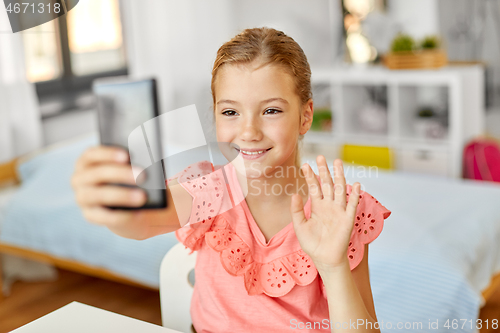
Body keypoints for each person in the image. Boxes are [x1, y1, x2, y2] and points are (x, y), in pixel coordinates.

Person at [72, 27, 391, 333]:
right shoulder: (209, 189)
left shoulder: (338, 209)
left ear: (305, 116)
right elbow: (140, 222)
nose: (248, 132)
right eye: (230, 113)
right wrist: (111, 203)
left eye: (271, 111)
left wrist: (333, 266)